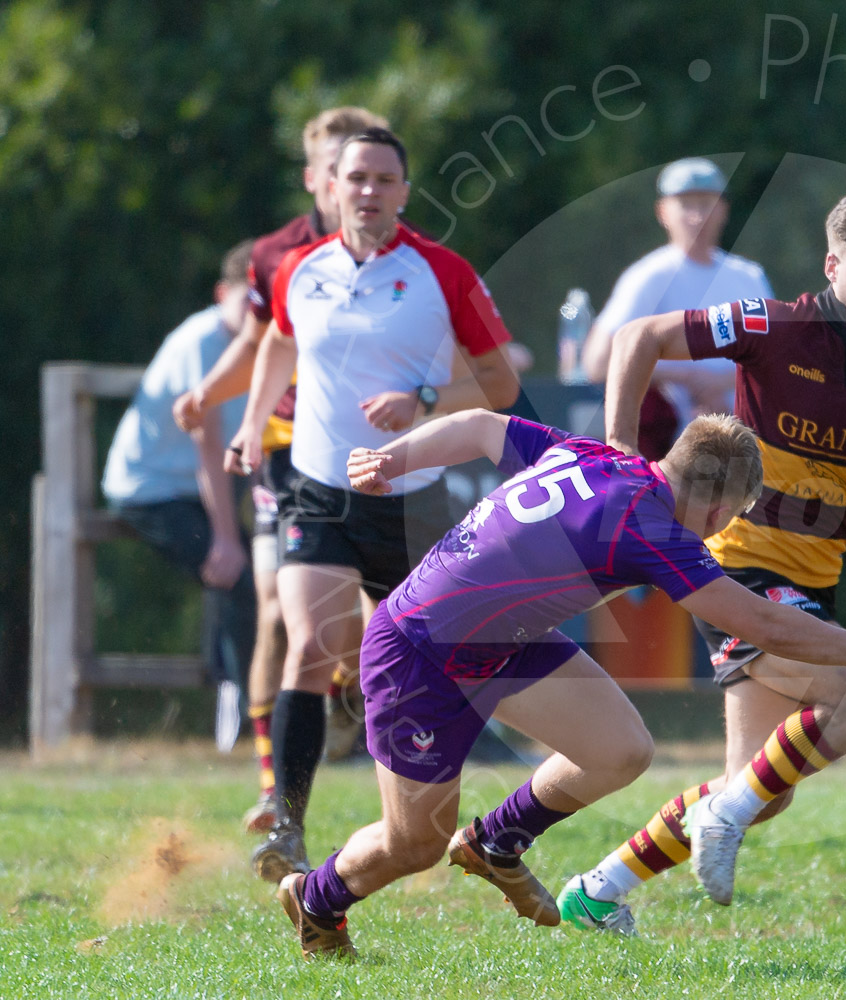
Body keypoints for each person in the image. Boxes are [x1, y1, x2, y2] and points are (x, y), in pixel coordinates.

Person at [273, 408, 846, 957]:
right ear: (715, 501)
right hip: (418, 651)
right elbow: (767, 625)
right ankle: (317, 899)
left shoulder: (597, 457)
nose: (726, 528)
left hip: (500, 642)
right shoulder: (654, 530)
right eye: (733, 513)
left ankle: (497, 842)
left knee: (620, 750)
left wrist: (399, 456)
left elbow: (484, 427)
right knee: (414, 844)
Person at [559, 188, 846, 932]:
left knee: (759, 791)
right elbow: (638, 336)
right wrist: (618, 458)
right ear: (833, 265)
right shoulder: (777, 323)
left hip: (810, 585)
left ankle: (596, 890)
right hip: (732, 572)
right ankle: (717, 822)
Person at [227, 127, 522, 882]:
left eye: (383, 179)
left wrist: (422, 398)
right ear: (331, 186)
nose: (367, 190)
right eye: (355, 176)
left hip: (409, 502)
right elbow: (279, 345)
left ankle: (476, 824)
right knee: (308, 644)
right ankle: (286, 821)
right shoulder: (300, 268)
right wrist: (253, 425)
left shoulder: (442, 272)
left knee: (435, 660)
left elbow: (500, 385)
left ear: (404, 192)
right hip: (319, 490)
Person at [174, 107, 390, 832]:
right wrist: (211, 397)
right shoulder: (280, 254)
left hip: (369, 455)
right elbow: (264, 343)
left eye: (362, 171)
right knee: (277, 611)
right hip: (290, 449)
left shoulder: (399, 255)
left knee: (369, 624)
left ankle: (340, 697)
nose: (348, 184)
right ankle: (276, 789)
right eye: (337, 170)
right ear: (315, 177)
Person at [102, 240, 258, 747]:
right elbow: (208, 448)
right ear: (222, 294)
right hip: (149, 490)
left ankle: (236, 694)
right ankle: (240, 702)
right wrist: (226, 538)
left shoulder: (262, 345)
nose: (255, 310)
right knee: (238, 574)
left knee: (247, 574)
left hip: (197, 488)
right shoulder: (203, 342)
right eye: (247, 297)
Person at [580, 157, 774, 459]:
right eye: (686, 205)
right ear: (663, 212)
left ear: (723, 209)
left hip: (749, 443)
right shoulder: (648, 276)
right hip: (671, 448)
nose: (697, 216)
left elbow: (776, 358)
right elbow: (598, 362)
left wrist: (722, 384)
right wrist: (684, 377)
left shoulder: (749, 277)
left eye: (706, 203)